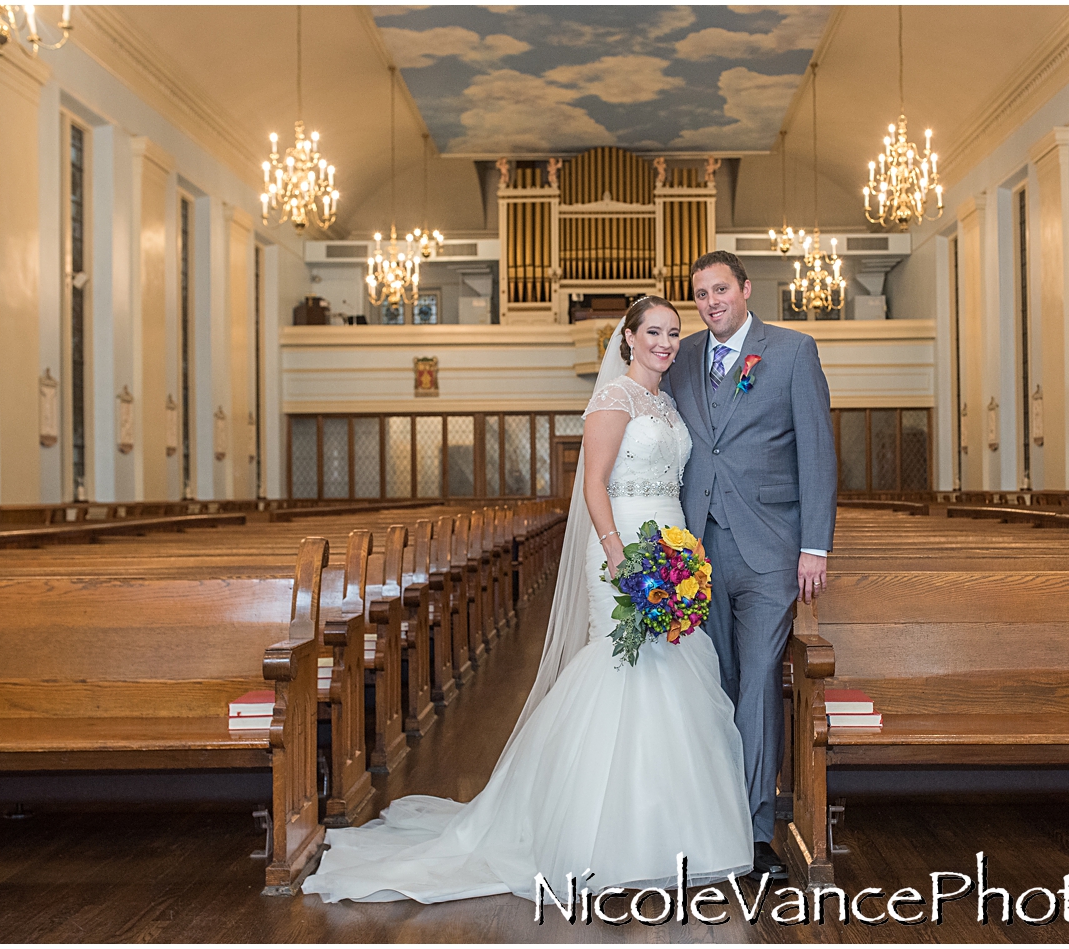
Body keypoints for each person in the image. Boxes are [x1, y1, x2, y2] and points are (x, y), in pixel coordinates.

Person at [301, 296, 753, 904]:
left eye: (674, 332)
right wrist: (619, 553)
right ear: (627, 338)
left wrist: (685, 557)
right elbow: (593, 484)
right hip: (621, 547)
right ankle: (594, 835)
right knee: (623, 668)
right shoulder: (614, 399)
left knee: (676, 670)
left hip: (674, 551)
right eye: (653, 331)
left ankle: (673, 832)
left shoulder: (669, 405)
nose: (666, 342)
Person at [667, 250, 838, 883]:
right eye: (700, 294)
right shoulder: (682, 356)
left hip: (770, 551)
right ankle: (712, 815)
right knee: (718, 682)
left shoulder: (792, 351)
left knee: (761, 679)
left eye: (720, 290)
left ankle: (754, 828)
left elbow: (817, 452)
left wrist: (814, 545)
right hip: (697, 553)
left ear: (745, 289)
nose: (710, 302)